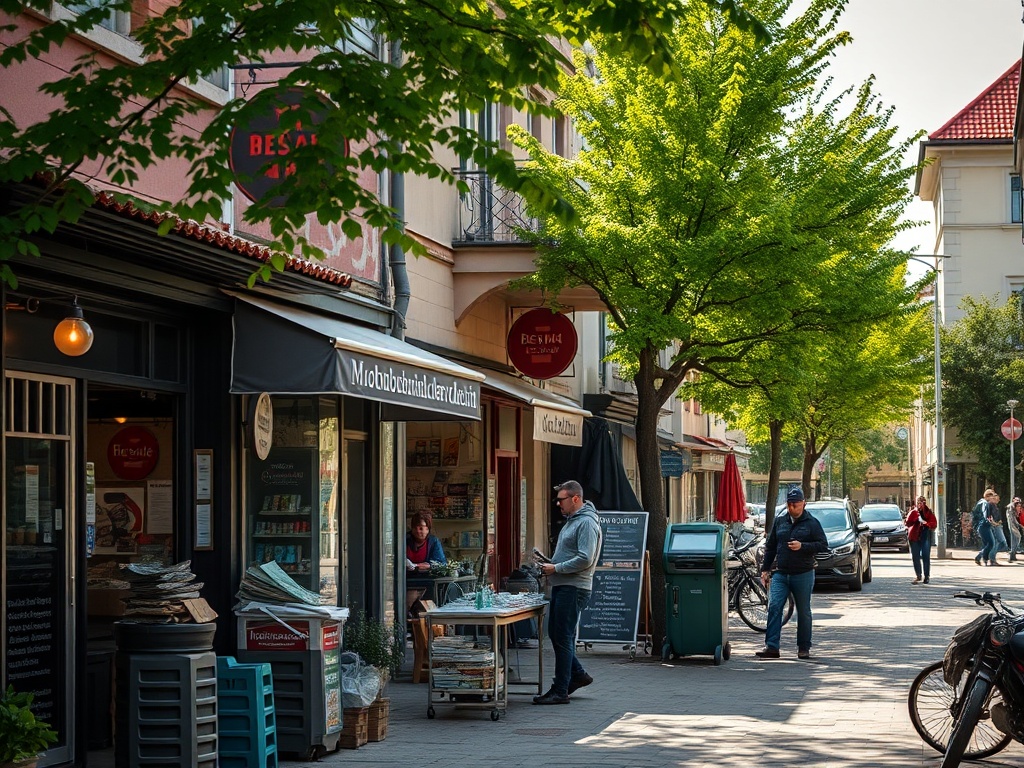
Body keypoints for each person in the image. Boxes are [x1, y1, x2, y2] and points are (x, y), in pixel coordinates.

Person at [533, 480, 602, 705]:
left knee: (563, 637)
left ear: (575, 499)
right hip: (564, 585)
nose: (558, 504)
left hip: (574, 587)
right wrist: (549, 564)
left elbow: (585, 558)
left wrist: (556, 568)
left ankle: (560, 689)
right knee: (557, 634)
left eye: (561, 500)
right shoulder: (573, 520)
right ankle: (578, 675)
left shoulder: (587, 523)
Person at [756, 486, 828, 660]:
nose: (792, 508)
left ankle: (804, 647)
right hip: (781, 572)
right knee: (774, 606)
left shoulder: (812, 523)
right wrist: (765, 569)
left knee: (803, 611)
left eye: (796, 504)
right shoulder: (780, 522)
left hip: (803, 573)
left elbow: (822, 545)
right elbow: (771, 546)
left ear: (804, 503)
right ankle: (772, 647)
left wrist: (803, 546)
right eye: (789, 504)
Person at [907, 495, 938, 584]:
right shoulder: (913, 512)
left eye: (921, 503)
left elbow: (933, 524)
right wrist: (915, 520)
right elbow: (908, 522)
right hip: (914, 536)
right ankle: (918, 575)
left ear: (924, 503)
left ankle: (926, 576)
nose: (919, 505)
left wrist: (926, 523)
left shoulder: (928, 512)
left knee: (926, 556)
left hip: (925, 535)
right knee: (915, 557)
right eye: (918, 503)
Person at [973, 490, 997, 566]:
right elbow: (985, 514)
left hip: (981, 525)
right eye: (992, 496)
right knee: (991, 543)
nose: (993, 498)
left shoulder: (980, 502)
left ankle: (980, 558)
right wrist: (991, 522)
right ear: (987, 496)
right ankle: (984, 558)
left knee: (986, 544)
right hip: (984, 525)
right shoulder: (985, 503)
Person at [1007, 497, 1024, 562]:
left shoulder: (1016, 509)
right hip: (1012, 525)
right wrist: (1019, 525)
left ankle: (1013, 554)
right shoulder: (1011, 509)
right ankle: (1012, 554)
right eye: (1018, 505)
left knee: (1016, 539)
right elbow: (1012, 519)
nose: (1019, 507)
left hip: (1015, 525)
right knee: (1016, 538)